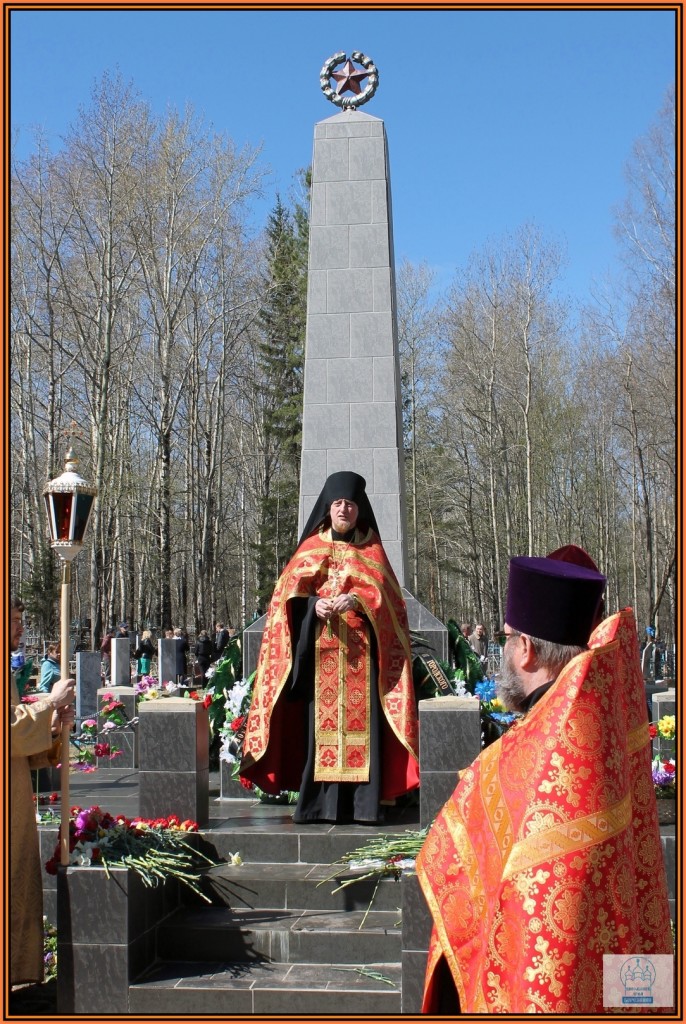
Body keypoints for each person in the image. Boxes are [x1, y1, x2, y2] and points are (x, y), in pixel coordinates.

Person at [416, 555, 672, 1013]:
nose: (508, 649)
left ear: (527, 649)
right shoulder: (607, 738)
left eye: (509, 638)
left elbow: (448, 867)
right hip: (621, 984)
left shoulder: (522, 758)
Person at [240, 471, 419, 825]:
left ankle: (364, 807)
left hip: (361, 660)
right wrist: (312, 607)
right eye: (337, 503)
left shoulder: (372, 550)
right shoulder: (310, 548)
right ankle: (319, 805)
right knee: (317, 730)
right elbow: (284, 602)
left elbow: (391, 605)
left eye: (350, 504)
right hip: (318, 659)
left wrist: (359, 600)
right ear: (328, 507)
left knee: (362, 729)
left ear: (358, 509)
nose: (343, 509)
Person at [10, 597, 76, 986]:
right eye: (14, 620)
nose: (21, 628)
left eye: (21, 619)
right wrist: (49, 702)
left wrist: (51, 725)